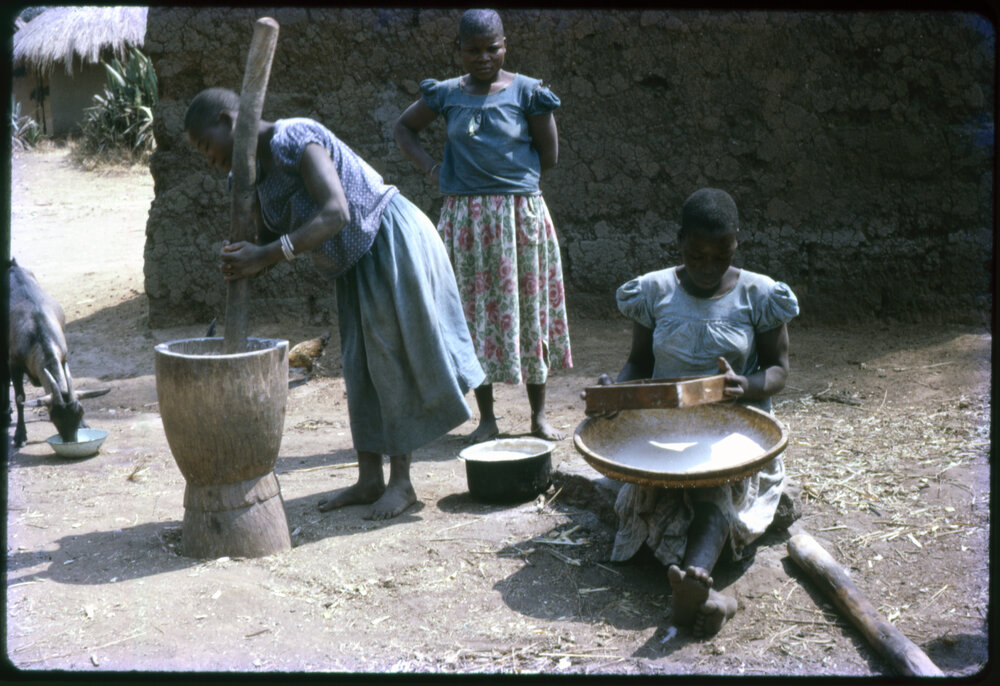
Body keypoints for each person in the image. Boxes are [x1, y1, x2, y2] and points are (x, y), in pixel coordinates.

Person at [184, 87, 485, 520]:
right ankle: (369, 479)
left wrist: (265, 255)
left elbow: (336, 212)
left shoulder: (294, 139)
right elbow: (271, 239)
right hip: (350, 264)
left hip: (385, 239)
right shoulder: (244, 178)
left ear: (229, 123)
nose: (207, 158)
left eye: (206, 145)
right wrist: (247, 259)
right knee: (359, 366)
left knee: (390, 358)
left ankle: (401, 484)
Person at [597, 188, 799, 637]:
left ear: (737, 243)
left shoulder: (760, 294)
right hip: (665, 433)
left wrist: (745, 386)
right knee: (658, 494)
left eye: (721, 255)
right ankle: (712, 597)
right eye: (696, 255)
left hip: (734, 435)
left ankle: (694, 579)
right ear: (679, 241)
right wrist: (620, 390)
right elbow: (640, 362)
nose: (709, 266)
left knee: (713, 490)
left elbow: (779, 371)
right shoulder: (653, 291)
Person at [393, 8, 572, 443]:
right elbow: (404, 129)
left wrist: (510, 188)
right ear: (458, 50)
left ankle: (539, 416)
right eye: (472, 49)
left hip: (519, 219)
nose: (483, 57)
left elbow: (548, 157)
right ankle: (487, 419)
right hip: (465, 221)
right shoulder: (446, 94)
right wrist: (433, 169)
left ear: (505, 45)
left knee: (530, 311)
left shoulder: (530, 93)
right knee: (472, 316)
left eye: (492, 48)